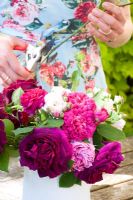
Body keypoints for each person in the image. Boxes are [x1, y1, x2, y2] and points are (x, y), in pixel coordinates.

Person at [0, 0, 132, 200]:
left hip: (72, 100)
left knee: (59, 194)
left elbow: (123, 26)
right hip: (5, 76)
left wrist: (116, 30)